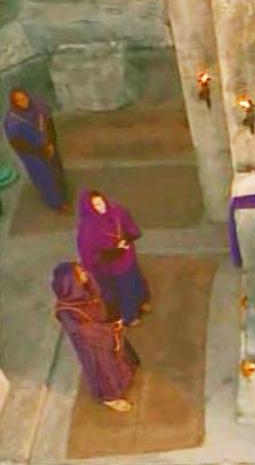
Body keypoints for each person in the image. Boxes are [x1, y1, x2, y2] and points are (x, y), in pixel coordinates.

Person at [52, 262, 140, 412]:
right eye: (80, 274)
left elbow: (97, 295)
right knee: (104, 371)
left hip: (106, 334)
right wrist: (111, 328)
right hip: (95, 346)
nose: (85, 274)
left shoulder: (84, 292)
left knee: (117, 361)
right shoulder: (68, 312)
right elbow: (85, 332)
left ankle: (122, 380)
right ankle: (111, 397)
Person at [77, 190, 151, 327]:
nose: (102, 207)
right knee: (123, 291)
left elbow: (131, 228)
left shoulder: (117, 212)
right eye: (96, 206)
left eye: (102, 202)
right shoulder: (87, 231)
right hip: (112, 268)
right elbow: (90, 257)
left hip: (128, 258)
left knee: (135, 280)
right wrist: (115, 252)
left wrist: (127, 239)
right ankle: (129, 316)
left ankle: (142, 300)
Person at [3, 88, 70, 213]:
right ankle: (56, 204)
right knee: (44, 176)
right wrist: (40, 152)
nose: (24, 102)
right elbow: (17, 143)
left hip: (48, 144)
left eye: (24, 98)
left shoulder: (39, 107)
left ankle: (63, 194)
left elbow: (49, 123)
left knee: (56, 169)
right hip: (32, 153)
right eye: (19, 101)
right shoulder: (13, 121)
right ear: (14, 103)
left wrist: (51, 143)